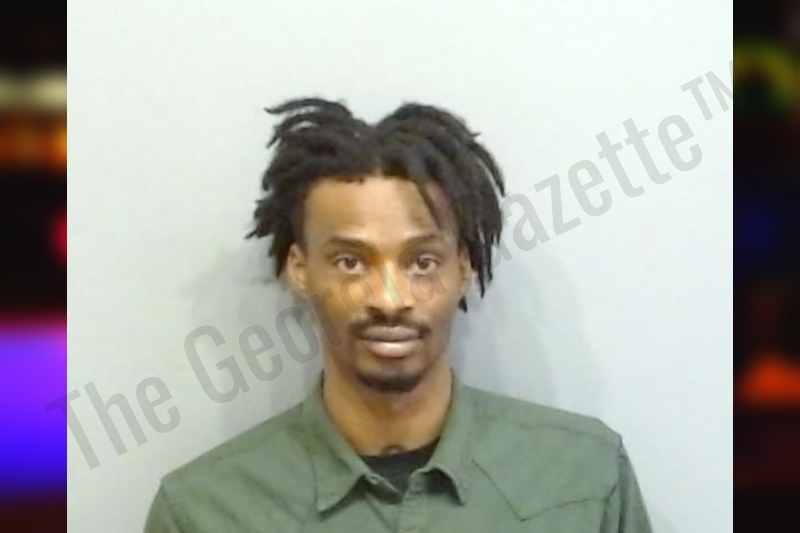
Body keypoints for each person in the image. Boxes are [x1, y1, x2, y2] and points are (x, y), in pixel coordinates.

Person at [144, 98, 653, 532]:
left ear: (463, 268)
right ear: (299, 269)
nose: (389, 299)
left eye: (422, 262)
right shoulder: (203, 512)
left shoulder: (585, 478)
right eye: (350, 262)